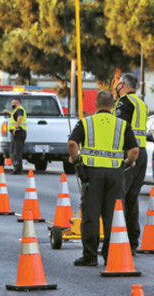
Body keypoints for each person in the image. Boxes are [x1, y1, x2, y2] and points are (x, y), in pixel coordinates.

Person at [68, 91, 139, 266]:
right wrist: (128, 162)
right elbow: (134, 151)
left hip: (91, 174)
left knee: (91, 214)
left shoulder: (86, 122)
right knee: (112, 215)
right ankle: (110, 254)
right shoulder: (122, 125)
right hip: (115, 174)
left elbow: (72, 144)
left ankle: (90, 257)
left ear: (96, 104)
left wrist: (75, 160)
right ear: (113, 105)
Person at [113, 73, 150, 255]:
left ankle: (120, 241)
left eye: (118, 84)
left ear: (122, 84)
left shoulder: (124, 102)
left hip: (130, 152)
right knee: (132, 198)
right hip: (141, 152)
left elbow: (120, 128)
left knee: (120, 197)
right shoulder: (141, 103)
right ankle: (132, 242)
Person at [3, 98, 27, 175]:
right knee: (17, 151)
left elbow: (20, 117)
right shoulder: (18, 110)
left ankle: (17, 167)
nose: (12, 105)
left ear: (18, 103)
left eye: (13, 103)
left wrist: (16, 127)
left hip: (18, 132)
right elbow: (15, 115)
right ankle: (19, 169)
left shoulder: (19, 109)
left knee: (13, 150)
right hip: (20, 132)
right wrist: (7, 112)